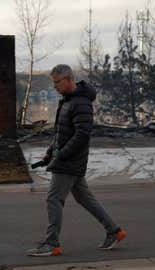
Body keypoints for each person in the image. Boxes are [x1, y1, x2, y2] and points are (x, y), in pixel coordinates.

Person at [26, 64, 126, 257]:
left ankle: (51, 244)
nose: (54, 86)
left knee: (54, 199)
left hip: (70, 161)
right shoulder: (67, 100)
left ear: (69, 79)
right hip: (66, 158)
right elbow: (61, 132)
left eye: (57, 82)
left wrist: (60, 155)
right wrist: (50, 152)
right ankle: (114, 231)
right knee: (83, 197)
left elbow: (82, 136)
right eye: (53, 82)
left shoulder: (81, 103)